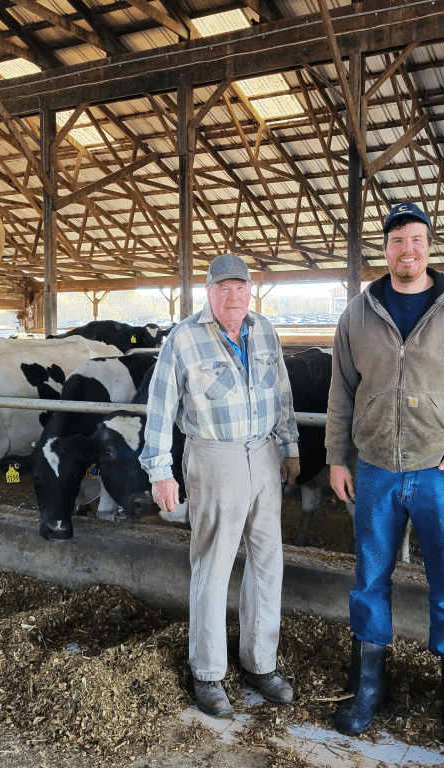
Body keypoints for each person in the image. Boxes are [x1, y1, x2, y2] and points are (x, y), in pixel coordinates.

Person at [324, 202, 444, 768]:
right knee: (369, 581)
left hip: (440, 472)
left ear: (431, 246)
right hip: (377, 469)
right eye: (399, 241)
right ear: (386, 249)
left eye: (418, 240)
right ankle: (368, 689)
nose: (409, 250)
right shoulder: (360, 312)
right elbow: (340, 392)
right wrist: (337, 458)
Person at [140, 252, 302, 719]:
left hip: (264, 453)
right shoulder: (184, 338)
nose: (232, 298)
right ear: (208, 292)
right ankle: (208, 673)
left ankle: (260, 663)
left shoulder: (265, 330)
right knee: (213, 564)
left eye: (240, 288)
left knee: (268, 561)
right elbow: (160, 408)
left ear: (251, 290)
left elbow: (283, 394)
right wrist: (160, 470)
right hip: (214, 456)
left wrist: (289, 447)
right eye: (222, 289)